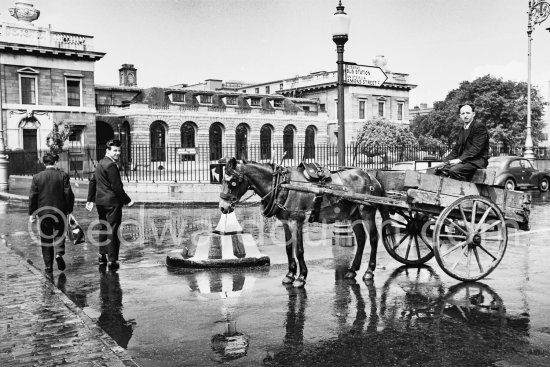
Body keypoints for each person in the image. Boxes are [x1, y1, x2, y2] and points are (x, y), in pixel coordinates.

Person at [86, 139, 134, 269]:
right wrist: (128, 200)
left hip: (100, 202)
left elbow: (92, 182)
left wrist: (90, 199)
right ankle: (112, 259)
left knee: (103, 228)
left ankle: (102, 255)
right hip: (112, 202)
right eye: (115, 150)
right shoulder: (111, 165)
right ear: (108, 150)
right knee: (112, 229)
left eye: (119, 150)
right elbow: (117, 187)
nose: (118, 153)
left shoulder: (100, 163)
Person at [29, 153, 75, 273]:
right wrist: (69, 210)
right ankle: (59, 253)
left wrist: (32, 214)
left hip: (43, 212)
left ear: (44, 164)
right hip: (60, 211)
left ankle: (48, 266)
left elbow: (33, 196)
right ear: (55, 162)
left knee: (46, 238)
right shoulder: (63, 175)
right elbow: (68, 194)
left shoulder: (37, 177)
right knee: (60, 233)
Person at [440, 103, 489, 181]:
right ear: (460, 116)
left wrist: (459, 160)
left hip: (476, 161)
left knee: (454, 170)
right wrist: (445, 161)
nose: (465, 116)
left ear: (473, 114)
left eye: (468, 113)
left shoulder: (479, 127)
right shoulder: (462, 129)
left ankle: (463, 190)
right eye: (463, 113)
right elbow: (456, 149)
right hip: (465, 161)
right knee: (441, 170)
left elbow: (476, 148)